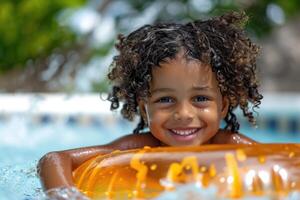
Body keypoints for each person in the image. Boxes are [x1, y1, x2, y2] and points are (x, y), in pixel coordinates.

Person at [38, 11, 263, 195]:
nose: (184, 114)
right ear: (144, 107)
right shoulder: (136, 147)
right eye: (165, 99)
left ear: (223, 105)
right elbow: (54, 159)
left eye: (200, 98)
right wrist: (64, 194)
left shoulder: (231, 145)